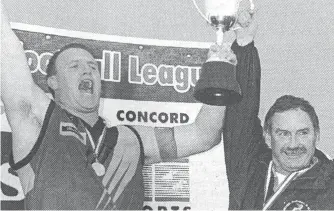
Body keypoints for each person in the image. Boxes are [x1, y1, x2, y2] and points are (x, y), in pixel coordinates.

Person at [1, 4, 256, 210]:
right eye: (75, 66)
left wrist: (220, 75)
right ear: (53, 82)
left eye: (92, 66)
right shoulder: (37, 123)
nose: (87, 70)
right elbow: (8, 53)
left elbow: (203, 135)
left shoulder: (131, 139)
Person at [223, 11, 334, 211]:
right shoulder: (250, 169)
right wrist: (244, 45)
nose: (293, 144)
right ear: (267, 136)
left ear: (317, 135)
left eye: (303, 133)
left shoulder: (329, 182)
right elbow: (240, 114)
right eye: (283, 134)